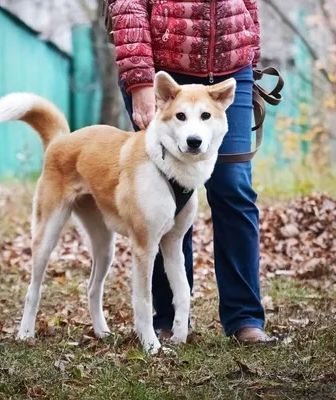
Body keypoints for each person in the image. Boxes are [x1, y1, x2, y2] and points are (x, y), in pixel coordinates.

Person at [110, 0, 274, 343]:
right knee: (158, 196)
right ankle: (169, 318)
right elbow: (128, 5)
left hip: (231, 71)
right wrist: (140, 77)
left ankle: (245, 317)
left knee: (234, 186)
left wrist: (249, 49)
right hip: (165, 74)